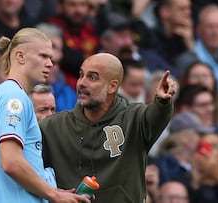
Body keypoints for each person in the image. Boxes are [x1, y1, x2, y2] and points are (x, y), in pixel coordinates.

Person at [40, 53, 177, 202]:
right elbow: (26, 168)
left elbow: (155, 117)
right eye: (81, 75)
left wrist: (162, 102)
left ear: (112, 86)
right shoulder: (53, 126)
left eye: (92, 77)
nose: (81, 83)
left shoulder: (134, 118)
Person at [0, 27, 90, 203]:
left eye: (51, 58)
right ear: (20, 56)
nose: (50, 64)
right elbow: (11, 162)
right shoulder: (13, 97)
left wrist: (52, 190)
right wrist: (54, 194)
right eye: (43, 56)